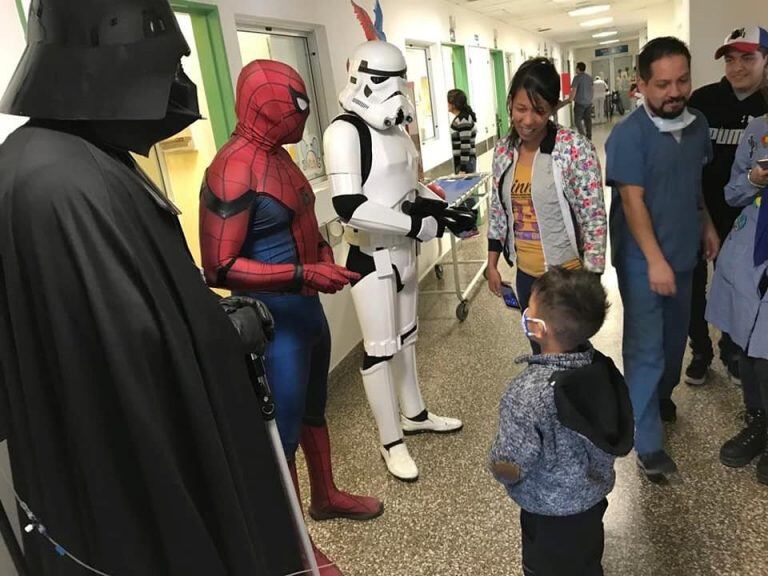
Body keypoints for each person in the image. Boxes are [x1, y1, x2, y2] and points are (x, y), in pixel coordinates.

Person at [0, 1, 302, 574]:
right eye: (165, 63)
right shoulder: (61, 182)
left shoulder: (67, 160)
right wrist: (216, 334)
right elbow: (124, 357)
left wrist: (208, 323)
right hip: (138, 494)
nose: (178, 86)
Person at [200, 59, 384, 575]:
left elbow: (307, 221)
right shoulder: (232, 168)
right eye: (294, 103)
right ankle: (294, 546)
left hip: (305, 312)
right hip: (271, 324)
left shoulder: (279, 158)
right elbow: (219, 265)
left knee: (313, 409)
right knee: (278, 433)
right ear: (264, 106)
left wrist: (322, 257)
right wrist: (303, 274)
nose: (302, 112)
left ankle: (324, 496)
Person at [324, 27, 462, 482]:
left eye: (401, 79)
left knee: (406, 340)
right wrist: (414, 224)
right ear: (362, 78)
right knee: (380, 350)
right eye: (387, 79)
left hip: (403, 253)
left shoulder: (396, 131)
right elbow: (350, 207)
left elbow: (406, 186)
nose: (397, 91)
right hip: (371, 259)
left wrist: (439, 209)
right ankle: (391, 441)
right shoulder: (342, 133)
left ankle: (415, 414)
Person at [606, 37, 720, 481]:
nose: (674, 92)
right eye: (662, 84)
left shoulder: (698, 125)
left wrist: (707, 224)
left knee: (675, 343)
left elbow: (694, 185)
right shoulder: (628, 136)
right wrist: (653, 260)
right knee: (646, 348)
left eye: (682, 81)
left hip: (684, 250)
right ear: (641, 84)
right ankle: (647, 442)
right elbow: (633, 202)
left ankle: (661, 396)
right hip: (642, 260)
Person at [489, 267, 633, 576]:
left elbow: (510, 464)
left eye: (530, 306)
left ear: (538, 328)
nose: (525, 310)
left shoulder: (526, 394)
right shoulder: (601, 367)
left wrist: (496, 467)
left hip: (548, 513)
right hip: (591, 500)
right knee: (585, 559)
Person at [486, 57, 607, 353]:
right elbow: (499, 210)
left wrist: (590, 279)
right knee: (539, 350)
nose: (528, 120)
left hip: (566, 278)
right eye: (521, 109)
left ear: (553, 109)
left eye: (539, 111)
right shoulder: (504, 149)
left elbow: (593, 218)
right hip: (527, 277)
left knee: (569, 355)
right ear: (510, 103)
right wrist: (491, 264)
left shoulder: (574, 149)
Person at [684, 26, 768, 386]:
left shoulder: (766, 107)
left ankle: (732, 351)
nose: (737, 67)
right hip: (699, 212)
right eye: (730, 59)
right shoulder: (702, 102)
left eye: (748, 57)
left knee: (739, 290)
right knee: (692, 288)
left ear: (766, 60)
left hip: (746, 222)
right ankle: (700, 350)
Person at [706, 113, 768, 485]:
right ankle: (757, 421)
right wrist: (753, 180)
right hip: (752, 255)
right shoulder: (758, 129)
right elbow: (732, 193)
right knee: (747, 344)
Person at [448, 88, 478, 173]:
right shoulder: (461, 118)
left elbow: (465, 145)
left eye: (448, 101)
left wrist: (463, 169)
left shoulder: (463, 120)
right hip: (464, 162)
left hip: (465, 164)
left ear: (453, 104)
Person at [570, 62, 594, 139]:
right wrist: (590, 98)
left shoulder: (576, 78)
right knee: (588, 120)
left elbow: (574, 90)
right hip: (588, 102)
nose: (575, 69)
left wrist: (570, 99)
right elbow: (592, 89)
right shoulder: (589, 77)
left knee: (577, 121)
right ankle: (589, 136)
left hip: (579, 103)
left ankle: (583, 136)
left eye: (576, 67)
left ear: (578, 69)